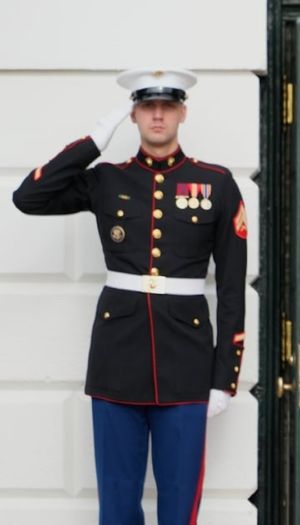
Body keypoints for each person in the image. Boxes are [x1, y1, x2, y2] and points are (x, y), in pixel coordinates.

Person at [12, 68, 248, 524]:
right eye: (147, 106)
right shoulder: (106, 180)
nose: (158, 115)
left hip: (187, 362)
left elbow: (232, 290)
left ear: (182, 113)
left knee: (180, 505)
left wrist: (224, 378)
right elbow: (29, 197)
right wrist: (93, 142)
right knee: (117, 504)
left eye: (167, 106)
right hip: (116, 358)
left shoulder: (216, 184)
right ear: (134, 114)